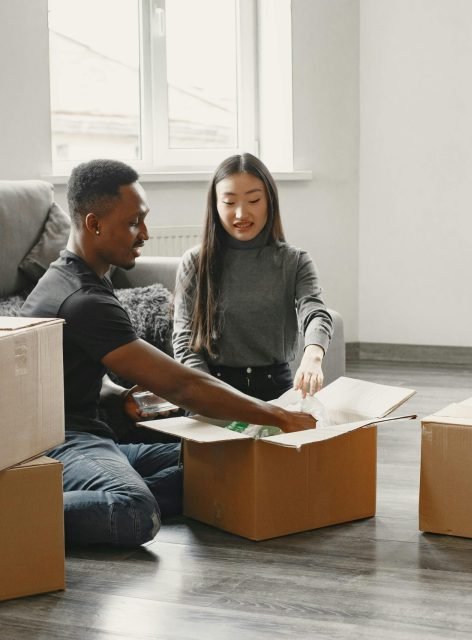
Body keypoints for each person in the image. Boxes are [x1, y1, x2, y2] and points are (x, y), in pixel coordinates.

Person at [20, 159, 315, 548]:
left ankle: (105, 487)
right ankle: (9, 512)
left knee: (226, 463)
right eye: (133, 223)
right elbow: (182, 384)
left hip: (92, 436)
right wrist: (277, 415)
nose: (144, 233)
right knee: (134, 510)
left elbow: (72, 368)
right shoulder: (83, 299)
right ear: (93, 224)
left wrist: (118, 395)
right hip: (64, 442)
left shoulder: (78, 276)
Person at [172, 153, 334, 401]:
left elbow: (315, 312)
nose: (241, 214)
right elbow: (184, 342)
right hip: (212, 389)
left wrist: (313, 356)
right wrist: (209, 397)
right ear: (215, 206)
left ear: (269, 201)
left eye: (254, 200)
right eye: (228, 202)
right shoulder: (195, 262)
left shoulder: (295, 261)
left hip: (276, 391)